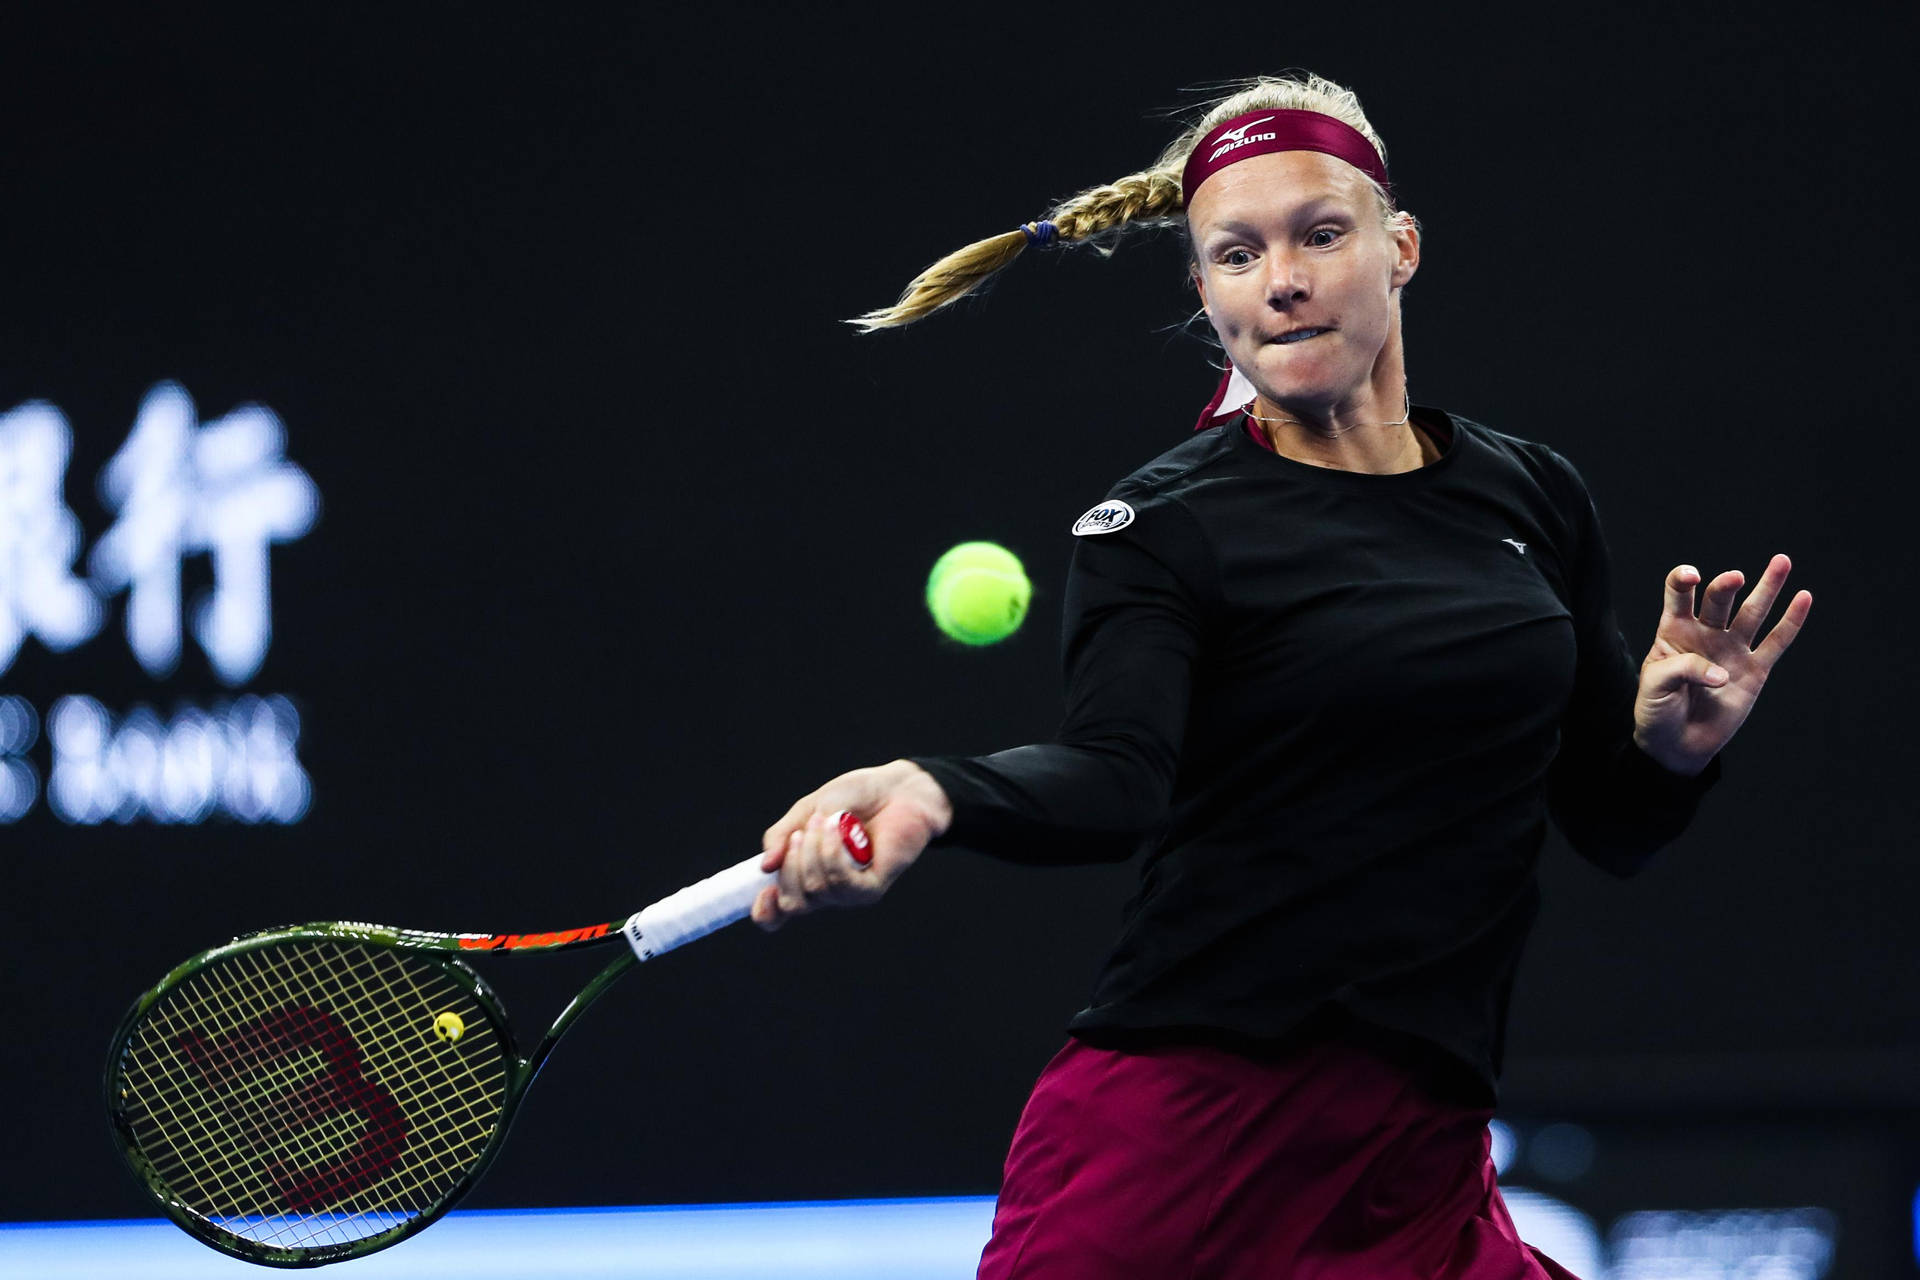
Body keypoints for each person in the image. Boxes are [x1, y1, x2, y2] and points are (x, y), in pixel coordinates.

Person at [751, 73, 1812, 1279]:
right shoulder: (1158, 524)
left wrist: (1675, 747)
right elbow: (1115, 776)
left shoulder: (1533, 494)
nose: (1285, 280)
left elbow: (1608, 819)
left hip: (1418, 1157)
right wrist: (934, 789)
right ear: (1204, 293)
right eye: (1239, 255)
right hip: (1183, 1142)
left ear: (1400, 246)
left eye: (1320, 234)